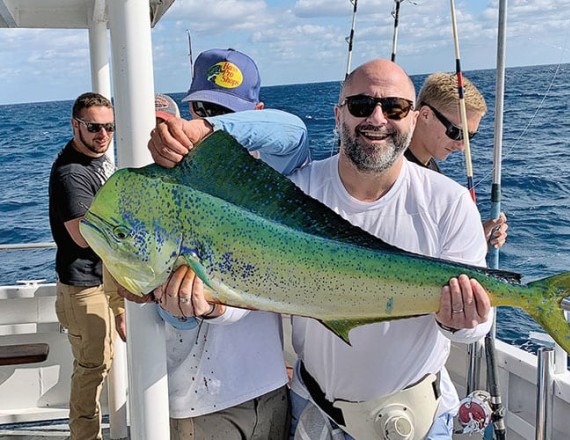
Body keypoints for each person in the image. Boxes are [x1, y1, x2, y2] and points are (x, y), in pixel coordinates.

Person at [148, 59, 494, 440]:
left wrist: (461, 319)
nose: (376, 119)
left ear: (413, 119)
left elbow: (472, 333)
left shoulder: (451, 203)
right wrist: (209, 304)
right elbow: (253, 283)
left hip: (420, 422)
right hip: (314, 417)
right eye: (361, 105)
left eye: (393, 108)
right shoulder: (298, 192)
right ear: (338, 114)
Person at [149, 48, 309, 440]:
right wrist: (184, 309)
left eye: (227, 113)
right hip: (199, 402)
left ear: (255, 113)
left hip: (270, 388)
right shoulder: (172, 180)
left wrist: (213, 132)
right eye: (202, 109)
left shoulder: (269, 177)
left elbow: (295, 131)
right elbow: (163, 298)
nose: (212, 120)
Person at [49, 92, 125, 440]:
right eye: (94, 127)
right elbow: (83, 236)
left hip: (106, 280)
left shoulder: (99, 161)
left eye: (110, 127)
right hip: (83, 287)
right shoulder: (71, 173)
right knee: (92, 369)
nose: (103, 135)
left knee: (106, 361)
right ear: (75, 125)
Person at [408, 72, 508, 249]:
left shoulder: (430, 171)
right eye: (457, 132)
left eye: (470, 137)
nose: (462, 146)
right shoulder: (393, 171)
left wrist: (473, 238)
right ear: (425, 115)